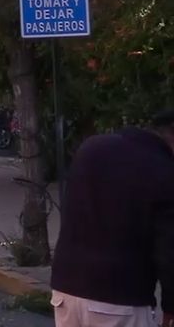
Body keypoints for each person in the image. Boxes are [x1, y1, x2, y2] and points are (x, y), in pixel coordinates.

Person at [51, 110, 174, 327]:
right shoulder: (163, 170)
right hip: (120, 299)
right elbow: (169, 252)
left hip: (66, 290)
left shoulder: (92, 147)